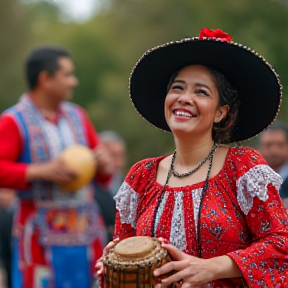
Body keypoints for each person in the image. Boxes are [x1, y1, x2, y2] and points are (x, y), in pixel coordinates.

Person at [96, 28, 288, 287]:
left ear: (221, 112)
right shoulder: (140, 176)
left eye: (201, 92)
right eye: (178, 88)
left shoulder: (243, 167)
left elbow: (280, 245)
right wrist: (113, 265)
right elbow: (125, 250)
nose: (184, 98)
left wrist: (212, 268)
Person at [0, 46, 114, 288]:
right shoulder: (14, 120)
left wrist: (103, 165)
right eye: (67, 74)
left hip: (86, 236)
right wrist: (38, 171)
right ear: (45, 79)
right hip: (40, 239)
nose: (74, 81)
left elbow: (102, 176)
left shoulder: (78, 116)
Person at [94, 131, 126, 242]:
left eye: (120, 155)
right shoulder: (91, 186)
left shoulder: (129, 184)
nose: (118, 162)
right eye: (113, 155)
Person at [258, 121, 288, 204]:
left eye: (280, 144)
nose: (274, 151)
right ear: (260, 147)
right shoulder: (251, 177)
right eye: (269, 145)